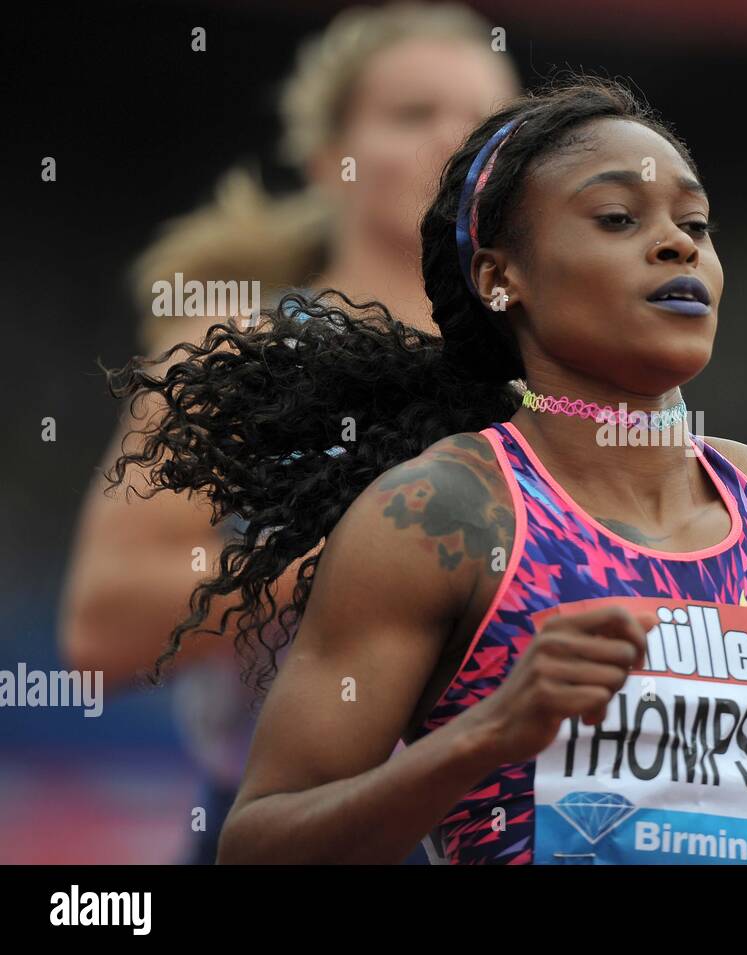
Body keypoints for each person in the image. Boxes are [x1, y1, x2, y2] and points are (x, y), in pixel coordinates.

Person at [105, 74, 747, 865]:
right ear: (501, 278)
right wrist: (486, 735)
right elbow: (259, 842)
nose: (679, 246)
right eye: (619, 219)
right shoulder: (442, 518)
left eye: (695, 224)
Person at [58, 1, 521, 864]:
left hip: (515, 833)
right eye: (414, 113)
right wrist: (374, 570)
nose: (456, 140)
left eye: (487, 121)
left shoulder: (549, 370)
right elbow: (102, 629)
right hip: (286, 824)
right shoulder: (235, 353)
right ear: (327, 159)